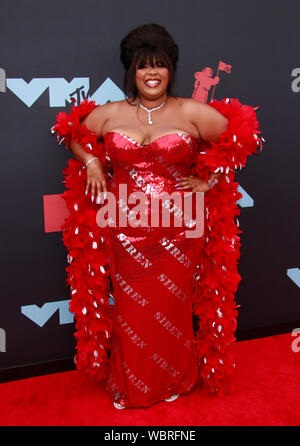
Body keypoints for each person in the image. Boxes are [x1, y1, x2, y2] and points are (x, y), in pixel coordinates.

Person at [52, 23, 264, 409]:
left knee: (172, 310)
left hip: (180, 233)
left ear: (171, 71)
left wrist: (211, 178)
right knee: (132, 314)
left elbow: (242, 135)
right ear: (132, 72)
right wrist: (93, 159)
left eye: (160, 66)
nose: (152, 73)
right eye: (143, 66)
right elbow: (69, 132)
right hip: (126, 232)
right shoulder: (112, 112)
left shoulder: (190, 111)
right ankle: (133, 385)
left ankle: (177, 379)